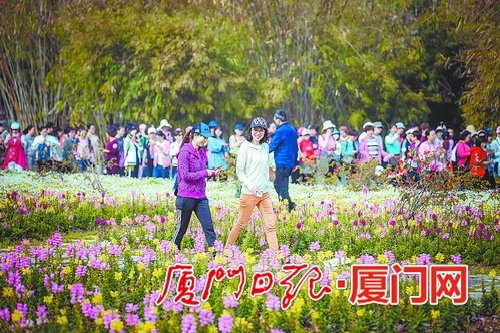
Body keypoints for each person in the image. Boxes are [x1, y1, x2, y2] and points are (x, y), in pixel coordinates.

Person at [226, 117, 278, 253]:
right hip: (249, 193)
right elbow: (240, 171)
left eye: (261, 130)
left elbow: (268, 166)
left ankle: (276, 255)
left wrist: (271, 176)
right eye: (255, 130)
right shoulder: (245, 147)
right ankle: (225, 250)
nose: (258, 133)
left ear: (265, 132)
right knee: (240, 224)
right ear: (251, 131)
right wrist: (251, 186)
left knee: (271, 225)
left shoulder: (266, 147)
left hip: (264, 193)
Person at [173, 122, 221, 251]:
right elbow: (185, 175)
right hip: (185, 196)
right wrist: (205, 173)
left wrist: (211, 173)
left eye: (206, 138)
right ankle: (172, 252)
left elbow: (200, 173)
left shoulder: (202, 152)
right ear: (194, 135)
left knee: (208, 226)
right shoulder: (184, 152)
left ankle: (216, 255)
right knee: (180, 229)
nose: (205, 140)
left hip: (200, 196)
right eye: (203, 137)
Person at [269, 109, 298, 211]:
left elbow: (271, 146)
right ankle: (289, 204)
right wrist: (295, 162)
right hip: (290, 163)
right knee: (278, 184)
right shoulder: (292, 130)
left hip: (282, 163)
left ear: (278, 119)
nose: (274, 121)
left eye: (274, 119)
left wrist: (259, 152)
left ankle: (288, 207)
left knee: (282, 187)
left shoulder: (280, 131)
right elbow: (295, 147)